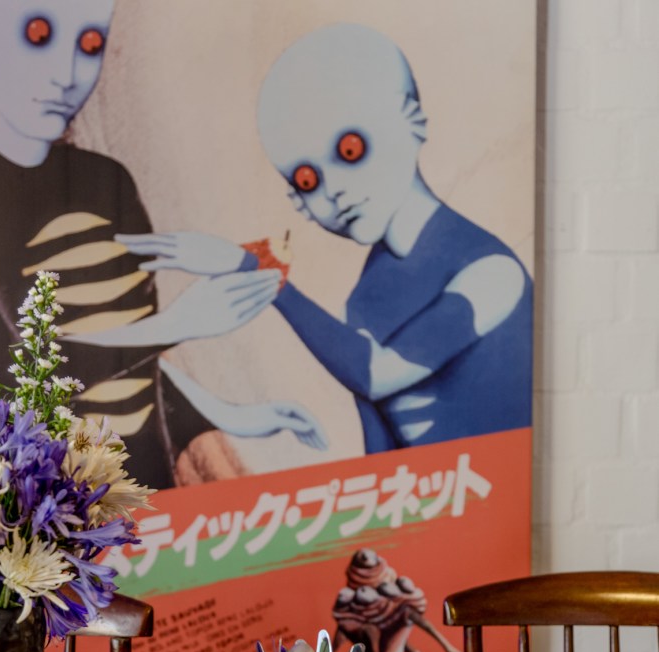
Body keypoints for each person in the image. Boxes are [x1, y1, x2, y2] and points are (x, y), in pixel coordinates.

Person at [110, 22, 532, 453]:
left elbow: (377, 374)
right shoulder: (366, 295)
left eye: (350, 150)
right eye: (308, 180)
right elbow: (379, 446)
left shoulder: (491, 272)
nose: (334, 192)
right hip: (419, 489)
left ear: (411, 120)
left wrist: (259, 270)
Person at [0, 1, 324, 489]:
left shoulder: (105, 180)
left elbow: (135, 361)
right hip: (46, 504)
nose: (67, 74)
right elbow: (6, 381)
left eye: (90, 45)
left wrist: (228, 414)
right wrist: (175, 326)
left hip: (149, 485)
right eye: (38, 35)